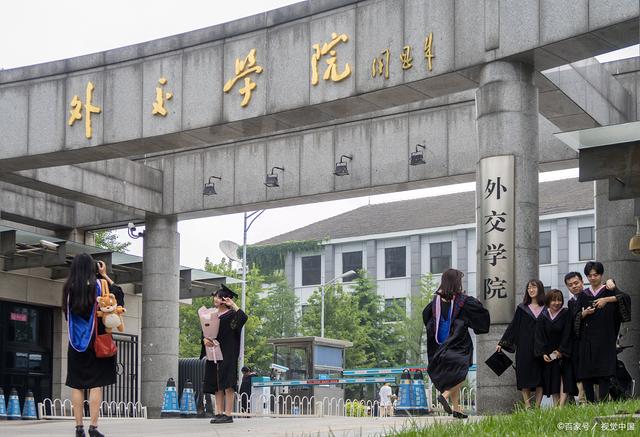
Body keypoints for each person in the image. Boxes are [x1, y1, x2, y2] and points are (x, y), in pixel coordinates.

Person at [63, 255, 124, 437]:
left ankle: (79, 428)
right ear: (93, 268)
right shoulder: (99, 285)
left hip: (75, 343)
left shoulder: (68, 289)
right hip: (97, 341)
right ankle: (93, 428)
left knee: (77, 384)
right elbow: (118, 296)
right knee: (96, 384)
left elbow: (67, 314)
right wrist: (105, 275)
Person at [423, 268, 490, 419]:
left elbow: (426, 317)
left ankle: (457, 408)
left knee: (454, 374)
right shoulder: (463, 300)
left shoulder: (435, 301)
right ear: (455, 282)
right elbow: (479, 312)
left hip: (441, 346)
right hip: (459, 345)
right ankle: (445, 395)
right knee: (461, 373)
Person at [574, 261, 631, 402]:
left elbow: (625, 298)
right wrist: (584, 314)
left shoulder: (609, 289)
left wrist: (607, 299)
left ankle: (604, 402)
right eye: (589, 275)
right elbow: (574, 317)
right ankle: (591, 403)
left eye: (596, 274)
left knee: (604, 372)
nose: (593, 278)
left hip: (605, 338)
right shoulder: (583, 295)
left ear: (601, 274)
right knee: (587, 373)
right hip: (587, 339)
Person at [201, 284, 248, 424]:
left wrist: (232, 304)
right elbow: (204, 332)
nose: (216, 299)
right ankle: (218, 412)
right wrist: (204, 340)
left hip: (228, 352)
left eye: (219, 296)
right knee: (216, 382)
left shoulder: (232, 315)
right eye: (216, 296)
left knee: (228, 382)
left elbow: (243, 318)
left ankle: (228, 414)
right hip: (213, 352)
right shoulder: (210, 315)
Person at [497, 279, 545, 409]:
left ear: (540, 289)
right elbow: (513, 326)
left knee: (541, 376)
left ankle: (538, 406)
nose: (531, 290)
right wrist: (502, 342)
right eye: (529, 288)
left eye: (534, 287)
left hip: (541, 347)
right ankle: (528, 405)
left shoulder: (546, 308)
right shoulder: (522, 308)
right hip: (524, 346)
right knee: (524, 374)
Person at [534, 289, 572, 406]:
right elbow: (539, 336)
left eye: (559, 300)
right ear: (548, 301)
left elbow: (568, 334)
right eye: (553, 300)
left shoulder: (566, 314)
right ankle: (556, 405)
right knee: (554, 379)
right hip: (549, 353)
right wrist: (543, 353)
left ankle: (561, 407)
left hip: (563, 352)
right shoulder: (543, 316)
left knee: (563, 379)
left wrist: (561, 351)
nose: (557, 303)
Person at [563, 272, 585, 403]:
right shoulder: (571, 303)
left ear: (582, 281)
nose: (574, 286)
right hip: (576, 342)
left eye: (576, 283)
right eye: (570, 285)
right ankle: (582, 400)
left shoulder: (588, 296)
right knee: (577, 370)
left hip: (589, 340)